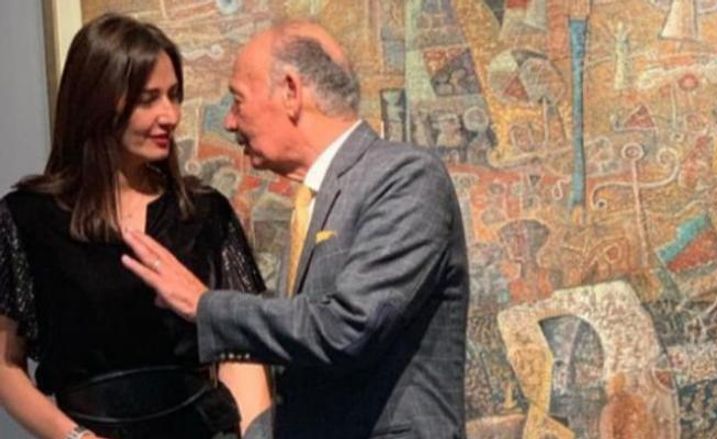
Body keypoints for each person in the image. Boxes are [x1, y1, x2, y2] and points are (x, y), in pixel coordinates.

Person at [122, 20, 470, 439]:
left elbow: (348, 328)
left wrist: (204, 305)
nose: (230, 122)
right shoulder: (315, 200)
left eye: (238, 101)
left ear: (290, 91)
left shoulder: (405, 178)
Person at [0, 13, 271, 439]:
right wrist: (75, 437)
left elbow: (240, 352)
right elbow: (5, 365)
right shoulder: (27, 217)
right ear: (97, 100)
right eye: (149, 99)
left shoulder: (203, 212)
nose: (171, 115)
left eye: (174, 96)